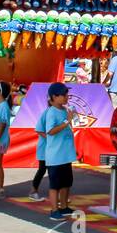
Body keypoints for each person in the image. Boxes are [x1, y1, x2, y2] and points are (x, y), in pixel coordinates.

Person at [42, 82, 78, 220]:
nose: (66, 97)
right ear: (54, 97)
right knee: (55, 185)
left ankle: (63, 206)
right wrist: (67, 122)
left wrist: (72, 119)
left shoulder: (64, 110)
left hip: (65, 155)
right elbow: (50, 131)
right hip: (55, 156)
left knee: (66, 182)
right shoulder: (51, 112)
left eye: (66, 94)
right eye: (63, 94)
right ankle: (54, 209)